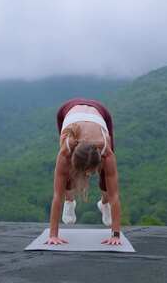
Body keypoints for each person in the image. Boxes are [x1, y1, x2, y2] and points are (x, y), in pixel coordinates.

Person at [45, 98, 122, 246]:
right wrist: (53, 235)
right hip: (67, 109)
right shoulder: (66, 151)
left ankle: (103, 204)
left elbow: (115, 195)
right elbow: (56, 194)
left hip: (101, 112)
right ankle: (70, 201)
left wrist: (116, 234)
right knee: (66, 173)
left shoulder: (106, 151)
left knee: (106, 178)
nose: (87, 175)